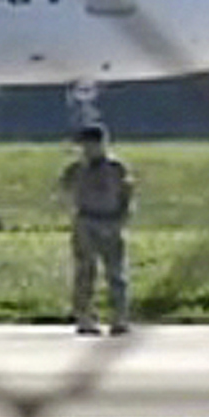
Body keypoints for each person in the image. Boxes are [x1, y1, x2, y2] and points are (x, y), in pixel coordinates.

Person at [59, 123, 133, 336]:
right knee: (85, 272)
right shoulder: (77, 169)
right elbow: (64, 189)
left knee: (116, 272)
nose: (87, 149)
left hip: (110, 220)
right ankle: (85, 316)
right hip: (86, 220)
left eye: (91, 145)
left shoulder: (116, 168)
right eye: (84, 145)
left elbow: (127, 194)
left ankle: (120, 317)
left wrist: (122, 218)